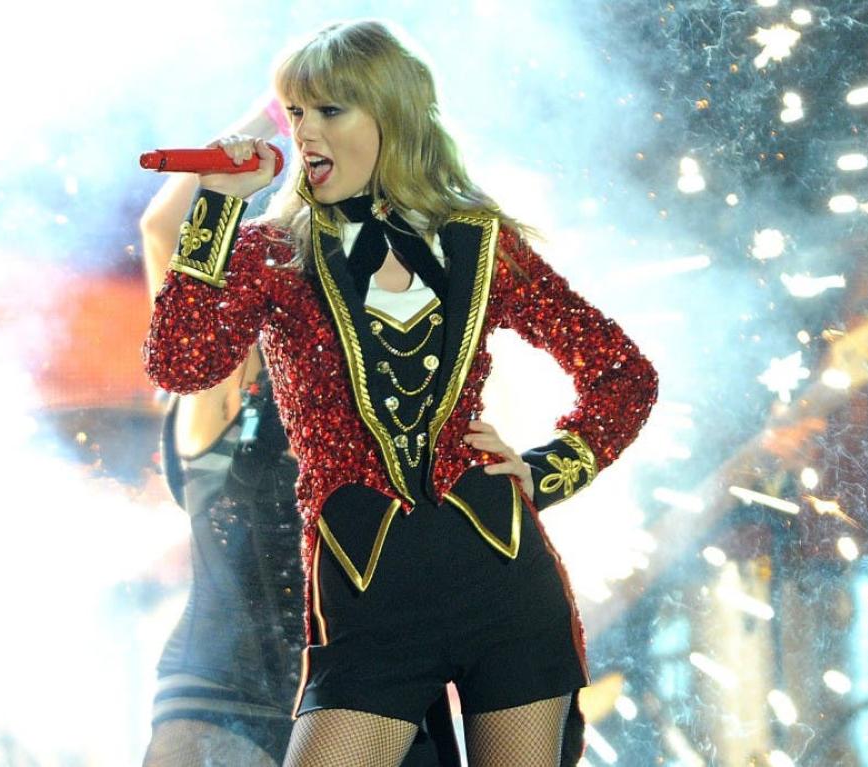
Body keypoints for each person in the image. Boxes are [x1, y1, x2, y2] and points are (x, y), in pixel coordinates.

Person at [144, 20, 657, 766]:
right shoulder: (271, 253)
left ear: (390, 114)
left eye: (329, 110)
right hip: (367, 607)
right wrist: (217, 205)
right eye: (297, 111)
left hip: (505, 585)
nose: (304, 132)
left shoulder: (481, 241)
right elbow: (180, 364)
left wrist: (548, 470)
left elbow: (624, 376)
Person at [140, 98, 489, 767]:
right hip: (229, 698)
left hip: (368, 692)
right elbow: (163, 229)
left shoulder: (405, 395)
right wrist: (280, 108)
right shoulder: (225, 375)